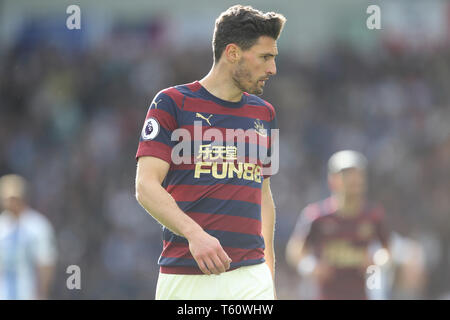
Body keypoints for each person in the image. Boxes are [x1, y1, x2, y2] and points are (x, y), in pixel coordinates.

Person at [135, 5, 286, 299]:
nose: (273, 69)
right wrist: (194, 234)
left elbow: (263, 194)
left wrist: (268, 270)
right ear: (232, 53)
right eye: (265, 57)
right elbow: (145, 186)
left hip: (251, 276)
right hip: (187, 275)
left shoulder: (265, 114)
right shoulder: (171, 103)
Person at [286, 150, 391, 299]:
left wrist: (377, 260)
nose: (354, 180)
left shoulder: (373, 216)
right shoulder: (316, 216)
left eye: (358, 174)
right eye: (348, 174)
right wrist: (311, 267)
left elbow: (387, 250)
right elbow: (295, 251)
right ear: (333, 180)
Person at [0, 174, 57, 300]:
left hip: (28, 293)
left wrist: (42, 292)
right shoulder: (2, 226)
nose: (10, 203)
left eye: (13, 198)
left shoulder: (37, 227)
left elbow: (46, 262)